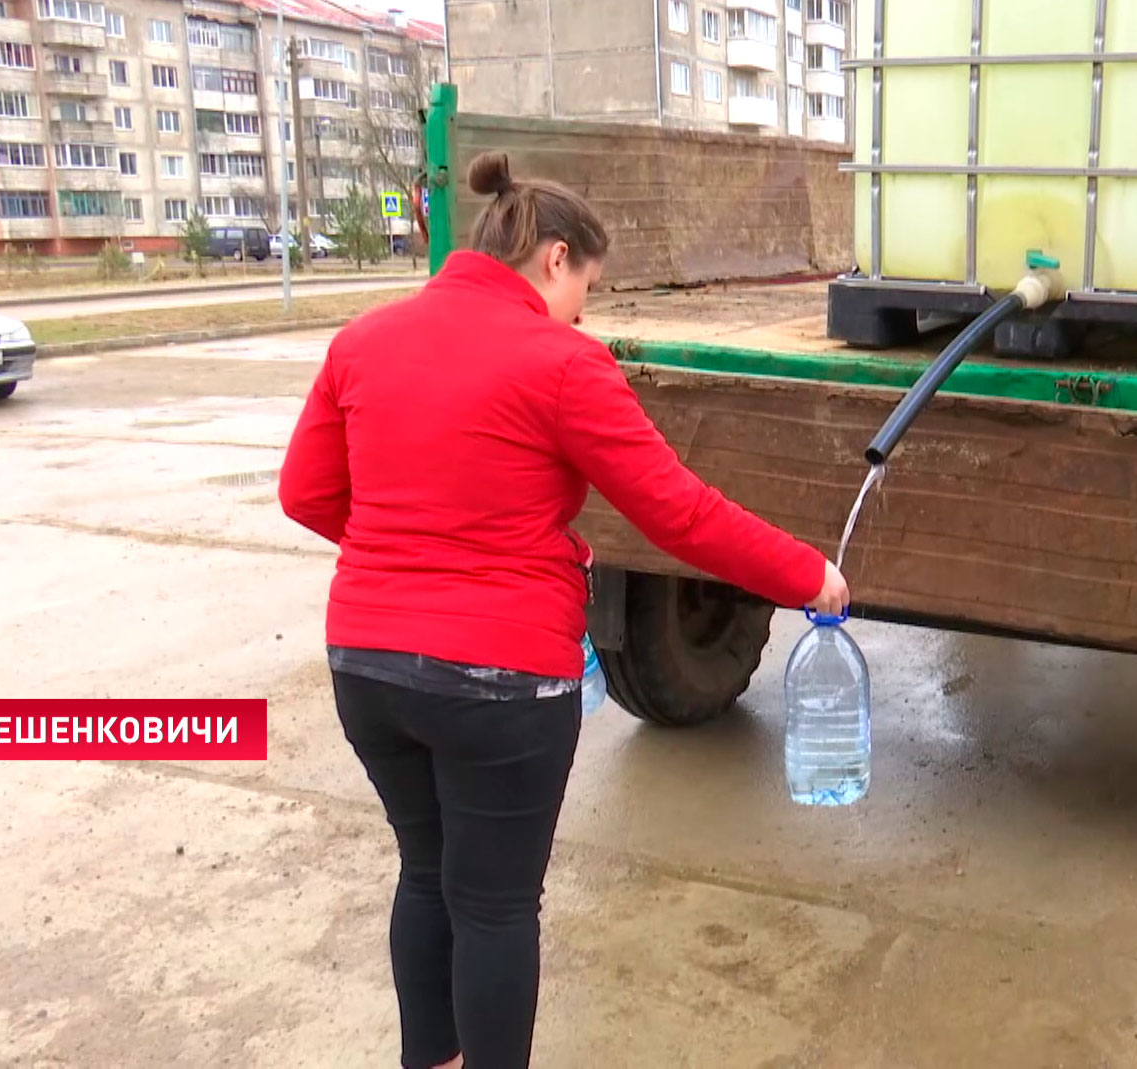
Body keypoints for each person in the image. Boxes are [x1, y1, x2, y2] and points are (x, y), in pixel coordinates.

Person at [278, 151, 850, 1069]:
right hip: (497, 683)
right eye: (587, 282)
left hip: (367, 665)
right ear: (553, 259)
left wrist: (410, 555)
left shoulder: (362, 342)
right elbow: (676, 511)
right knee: (496, 904)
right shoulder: (562, 364)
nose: (586, 305)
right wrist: (803, 573)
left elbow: (305, 494)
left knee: (426, 873)